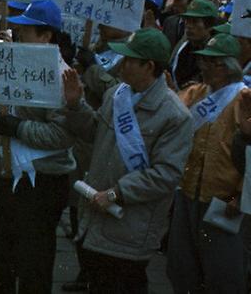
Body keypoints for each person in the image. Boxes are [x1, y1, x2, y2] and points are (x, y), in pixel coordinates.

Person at [61, 28, 193, 293]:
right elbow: (94, 132)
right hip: (98, 214)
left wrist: (116, 193)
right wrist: (76, 105)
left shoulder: (175, 115)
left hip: (131, 224)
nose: (122, 64)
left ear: (149, 67)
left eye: (130, 60)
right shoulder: (117, 95)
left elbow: (166, 174)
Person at [0, 0, 77, 293]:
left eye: (27, 31)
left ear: (46, 36)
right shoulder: (21, 64)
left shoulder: (62, 77)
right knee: (2, 256)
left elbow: (61, 135)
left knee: (33, 265)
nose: (19, 34)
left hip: (42, 183)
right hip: (12, 175)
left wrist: (18, 127)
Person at [167, 33, 248, 293]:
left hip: (224, 200)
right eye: (205, 61)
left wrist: (241, 195)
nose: (206, 67)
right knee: (181, 267)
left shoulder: (244, 100)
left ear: (229, 67)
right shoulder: (195, 93)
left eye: (214, 63)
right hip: (187, 190)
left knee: (222, 273)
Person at [171, 0, 219, 89]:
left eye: (195, 21)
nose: (189, 26)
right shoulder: (184, 49)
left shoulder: (218, 52)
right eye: (187, 21)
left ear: (209, 26)